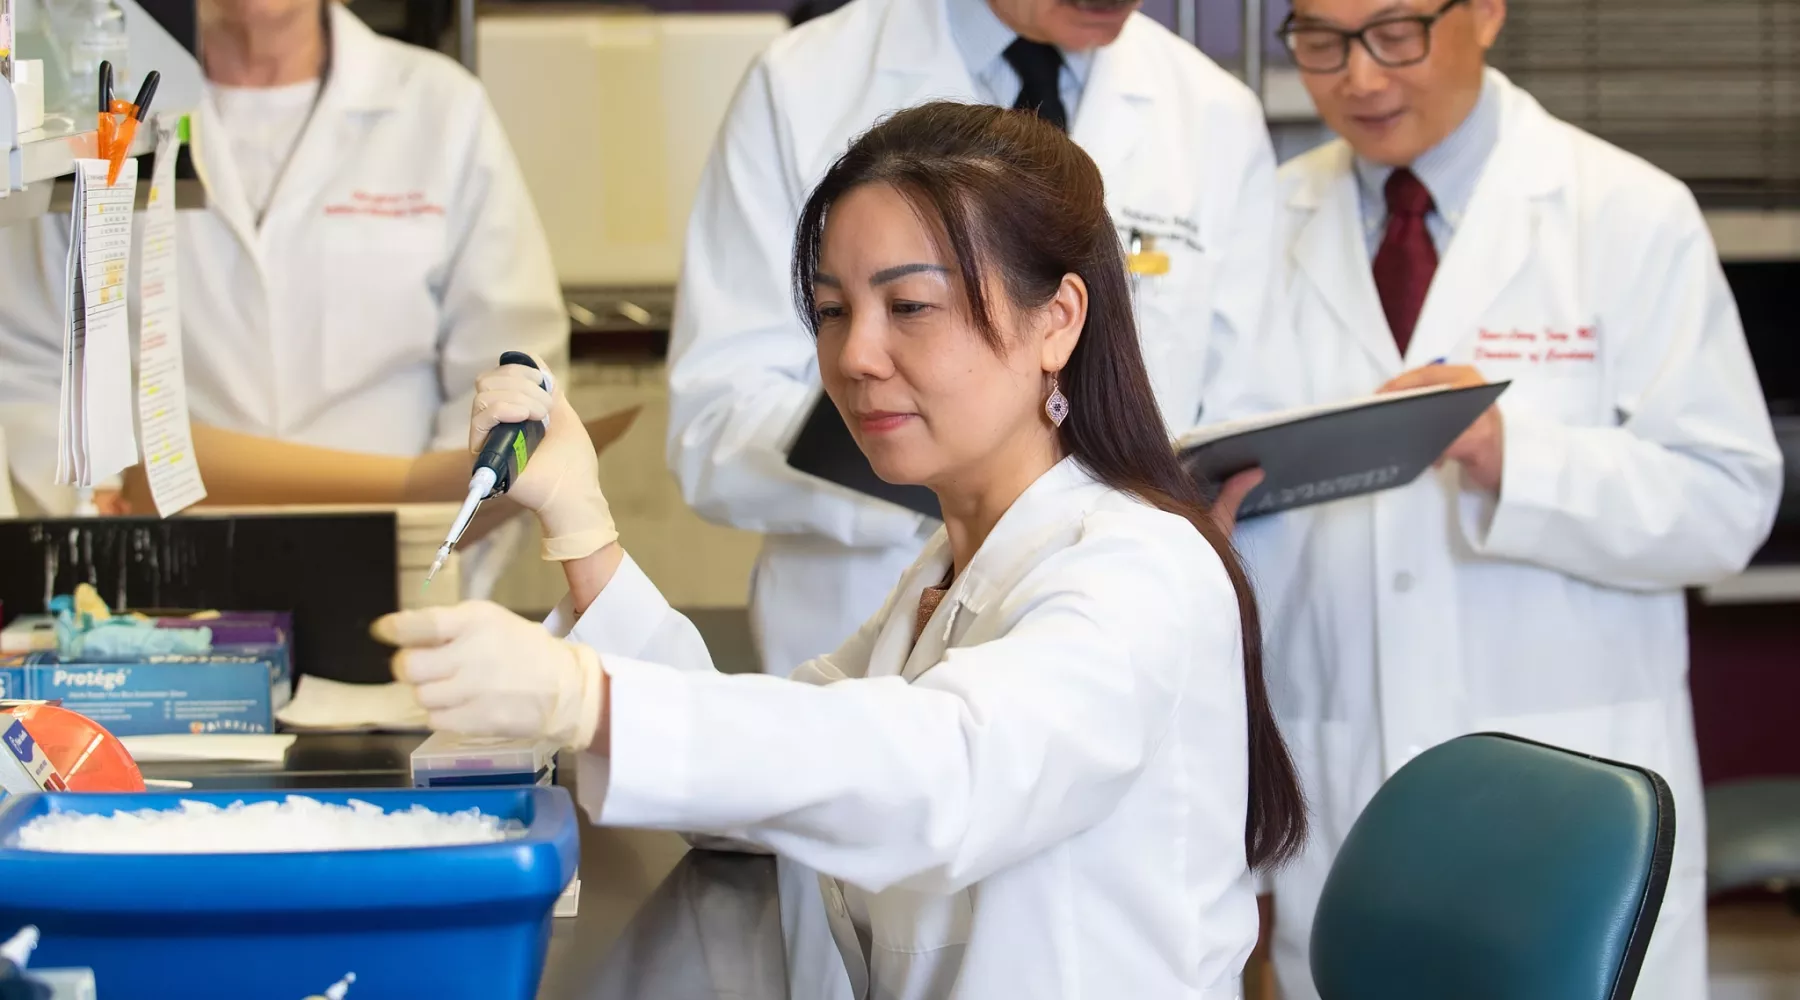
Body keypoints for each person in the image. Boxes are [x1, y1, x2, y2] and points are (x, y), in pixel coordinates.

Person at [375, 102, 1306, 1000]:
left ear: (1057, 319)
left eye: (910, 305)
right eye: (831, 310)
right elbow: (750, 788)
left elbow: (945, 775)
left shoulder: (1140, 571)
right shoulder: (944, 577)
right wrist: (583, 531)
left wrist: (589, 696)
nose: (856, 354)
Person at [1257, 1, 1785, 997]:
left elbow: (1728, 501)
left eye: (1395, 33)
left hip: (1571, 821)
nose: (1361, 79)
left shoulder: (1626, 212)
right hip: (1345, 786)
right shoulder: (1265, 217)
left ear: (1487, 12)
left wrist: (1514, 455)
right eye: (1320, 43)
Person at [0, 0, 564, 591]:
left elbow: (511, 366)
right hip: (160, 583)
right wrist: (100, 533)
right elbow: (32, 355)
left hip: (399, 575)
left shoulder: (441, 108)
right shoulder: (92, 111)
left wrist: (437, 556)